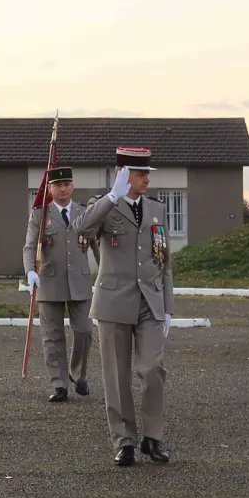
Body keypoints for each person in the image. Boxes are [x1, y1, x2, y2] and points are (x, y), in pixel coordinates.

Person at [73, 147, 173, 467]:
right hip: (114, 301)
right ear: (124, 176)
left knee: (153, 369)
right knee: (117, 375)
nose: (146, 179)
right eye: (141, 173)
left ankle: (152, 437)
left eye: (147, 174)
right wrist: (111, 199)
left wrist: (167, 306)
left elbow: (164, 260)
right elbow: (81, 229)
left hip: (150, 302)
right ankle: (124, 440)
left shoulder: (157, 208)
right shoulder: (103, 207)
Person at [22, 167, 97, 402]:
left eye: (67, 184)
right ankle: (59, 384)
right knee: (52, 336)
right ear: (50, 189)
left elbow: (97, 246)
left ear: (72, 186)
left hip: (80, 281)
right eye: (58, 185)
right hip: (50, 279)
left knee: (84, 330)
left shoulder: (85, 213)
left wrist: (107, 272)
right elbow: (30, 246)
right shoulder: (40, 215)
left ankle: (78, 374)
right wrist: (30, 271)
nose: (62, 188)